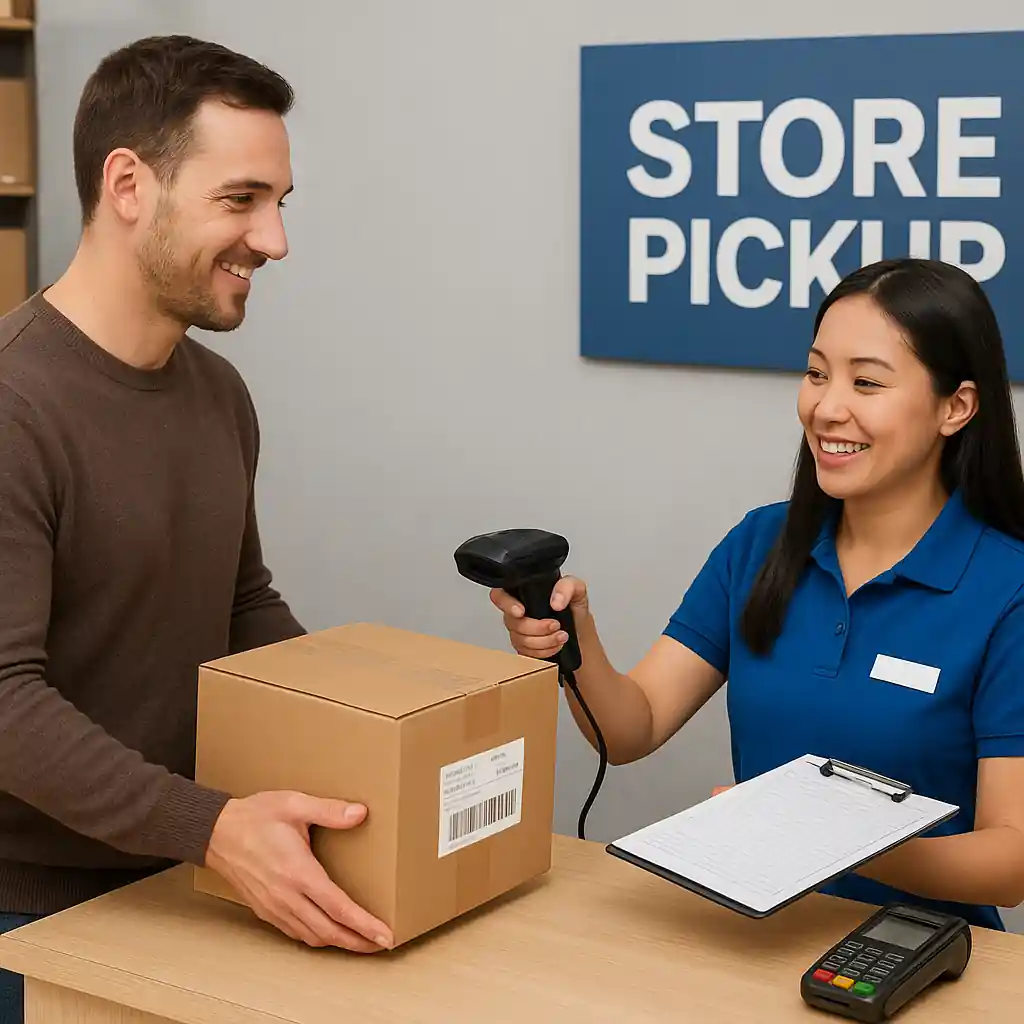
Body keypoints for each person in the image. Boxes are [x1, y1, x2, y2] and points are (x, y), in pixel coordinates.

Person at [0, 33, 393, 1024]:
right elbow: (3, 701)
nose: (274, 240)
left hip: (173, 879)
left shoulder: (219, 395)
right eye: (241, 199)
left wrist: (379, 728)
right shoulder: (13, 404)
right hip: (25, 917)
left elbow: (239, 602)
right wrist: (214, 826)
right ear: (129, 184)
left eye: (279, 204)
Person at [491, 257, 1024, 932]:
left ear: (957, 407)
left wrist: (837, 844)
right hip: (749, 939)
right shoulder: (760, 545)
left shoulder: (1008, 589)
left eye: (866, 382)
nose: (827, 407)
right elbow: (632, 727)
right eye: (816, 373)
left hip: (919, 955)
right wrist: (573, 636)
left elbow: (1011, 861)